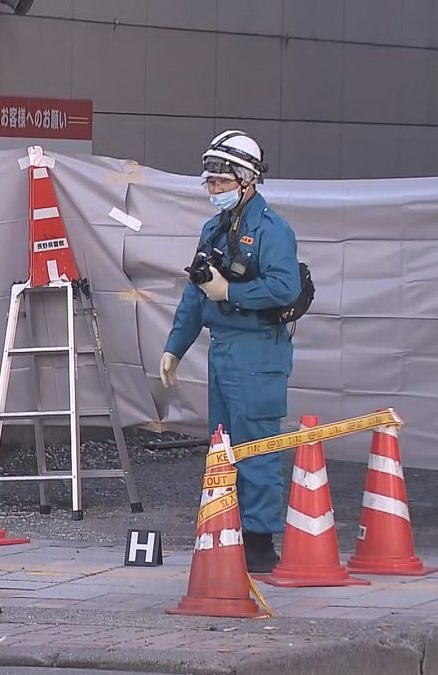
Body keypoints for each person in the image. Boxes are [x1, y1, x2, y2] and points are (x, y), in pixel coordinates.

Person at [158, 130, 302, 574]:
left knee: (256, 447)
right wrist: (174, 347)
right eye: (211, 181)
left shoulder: (272, 230)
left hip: (259, 352)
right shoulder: (214, 228)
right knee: (222, 447)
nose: (214, 189)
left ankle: (259, 542)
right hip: (223, 350)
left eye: (222, 181)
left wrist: (232, 292)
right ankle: (230, 530)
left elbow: (285, 287)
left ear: (248, 179)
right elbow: (195, 293)